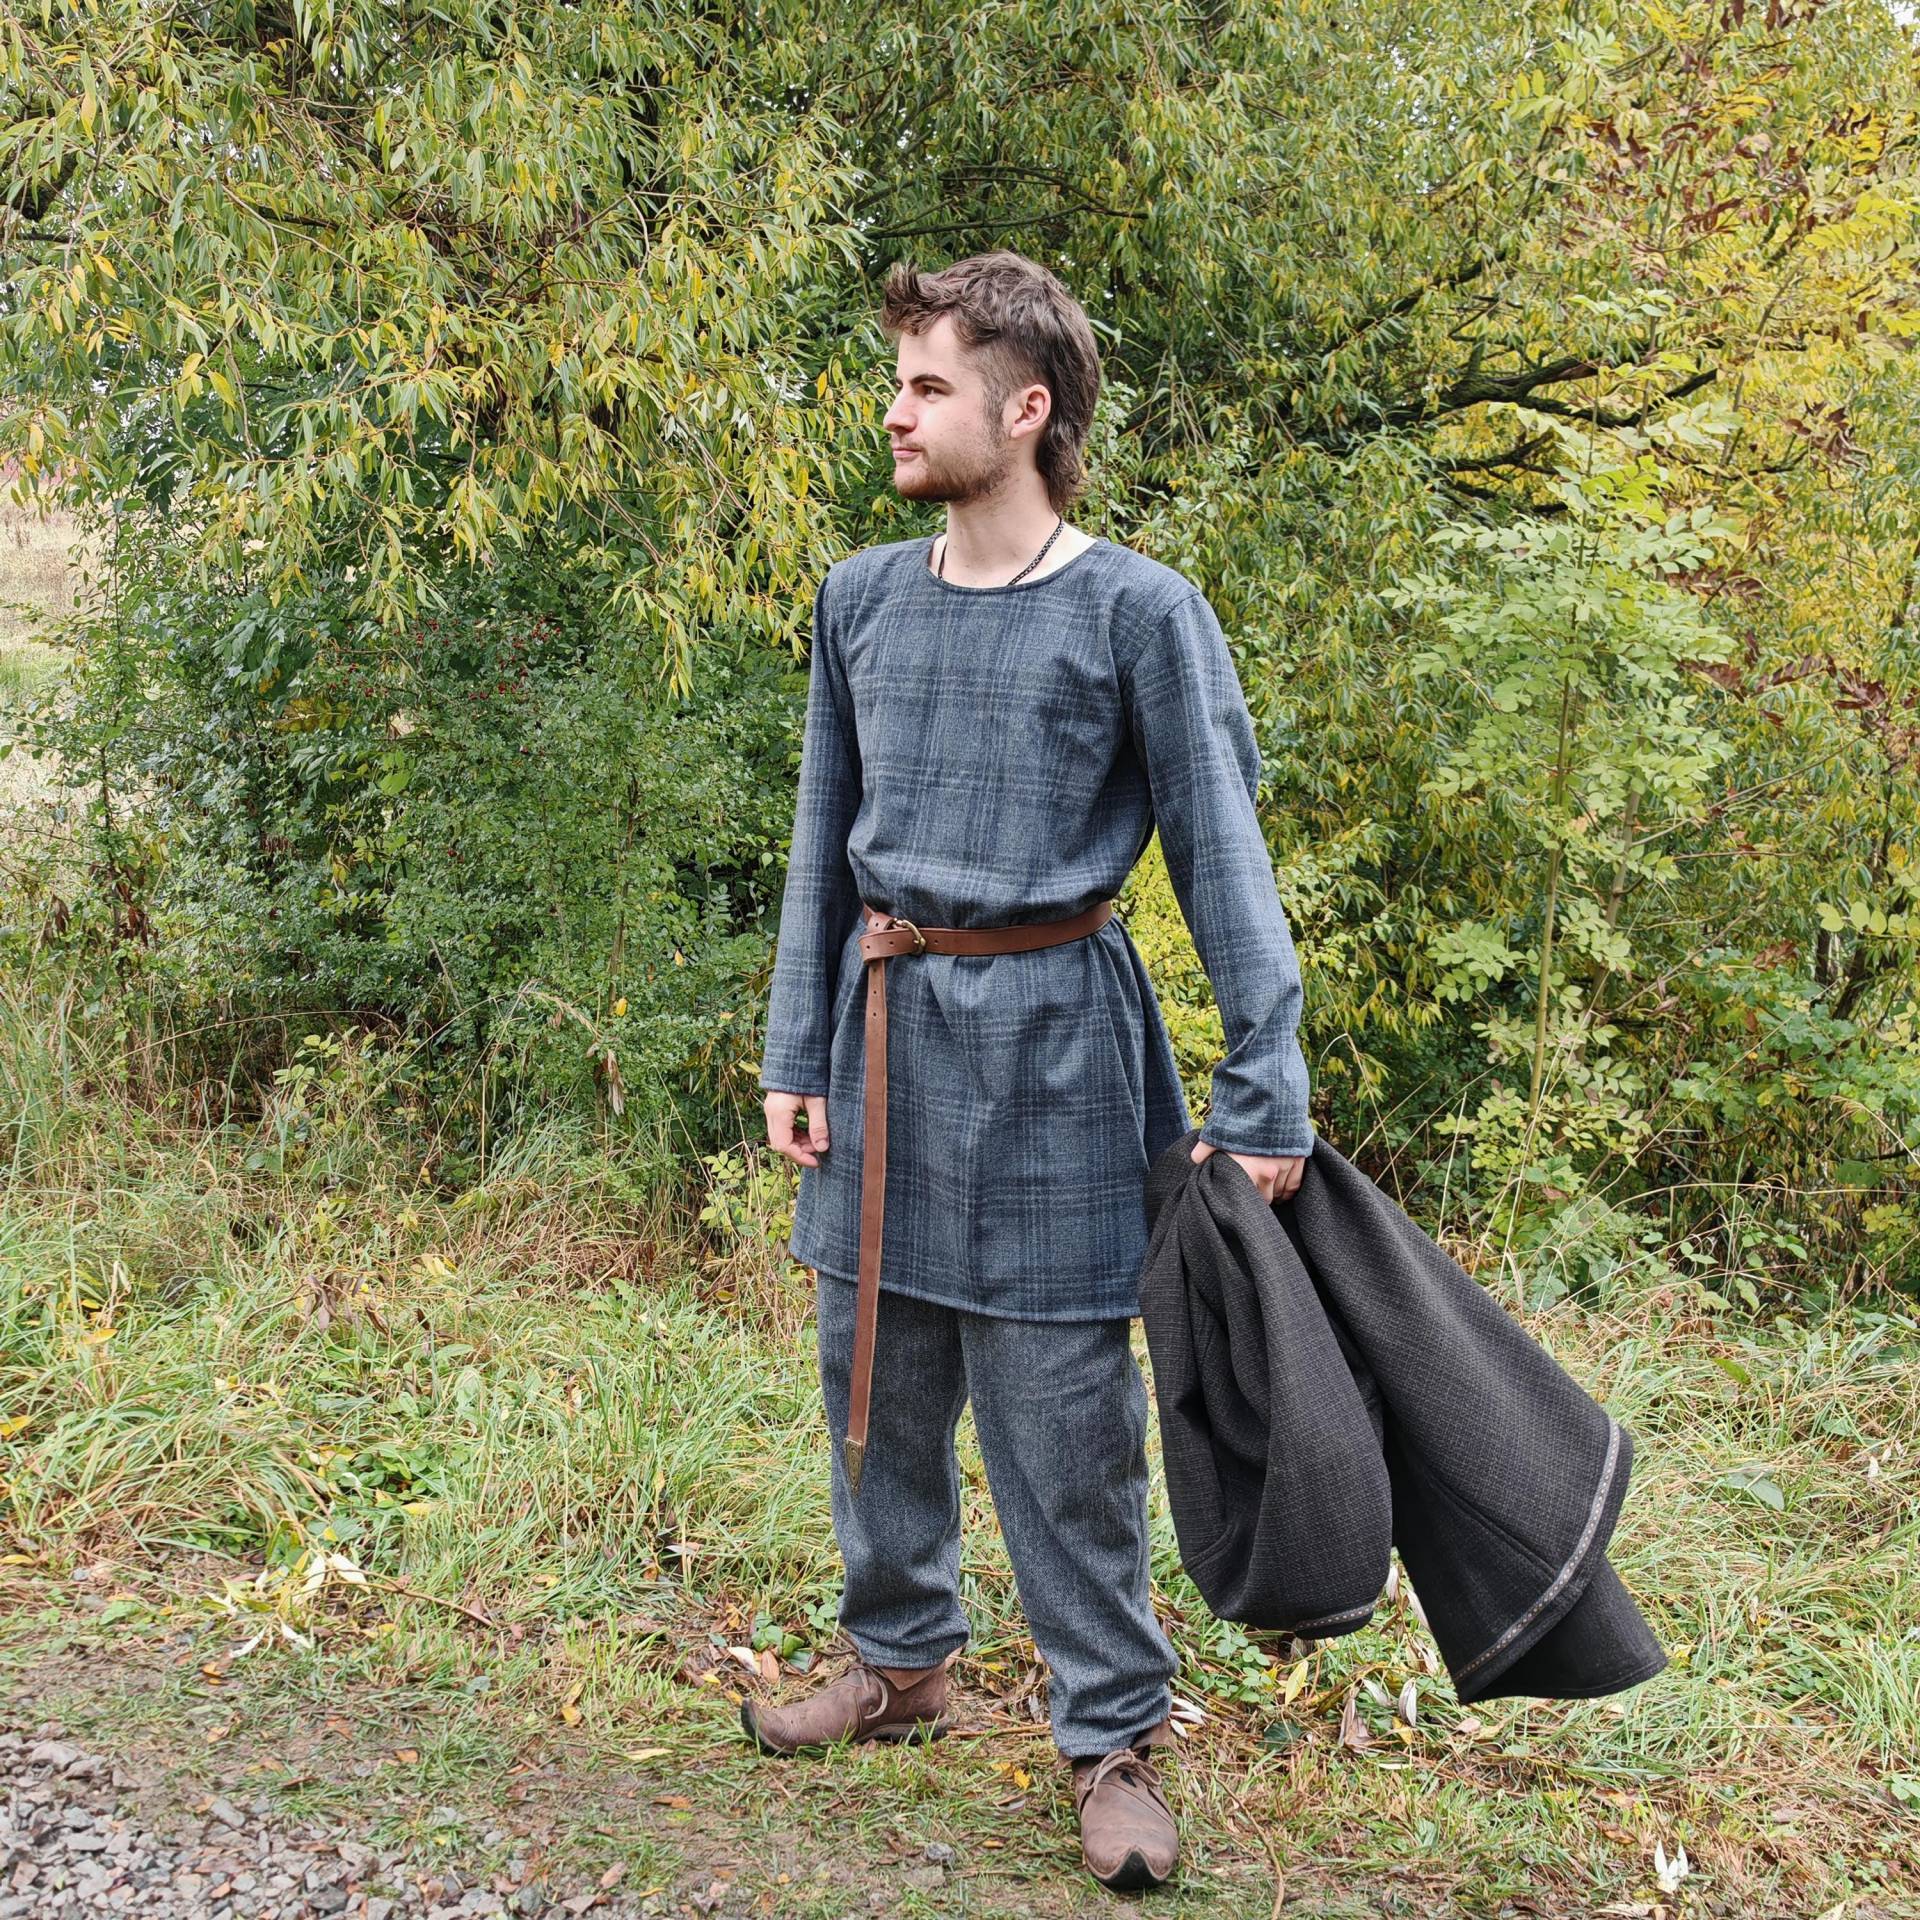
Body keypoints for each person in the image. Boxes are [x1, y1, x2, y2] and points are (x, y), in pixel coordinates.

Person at [744, 250, 1315, 1895]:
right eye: (899, 380)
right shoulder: (859, 597)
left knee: (1067, 1418)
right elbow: (818, 850)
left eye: (928, 384)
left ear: (1026, 407)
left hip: (1065, 1041)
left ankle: (1111, 1733)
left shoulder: (1140, 613)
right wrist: (800, 1045)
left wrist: (1264, 1086)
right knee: (880, 1384)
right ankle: (902, 1656)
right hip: (884, 1033)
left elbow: (1223, 859)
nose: (897, 410)